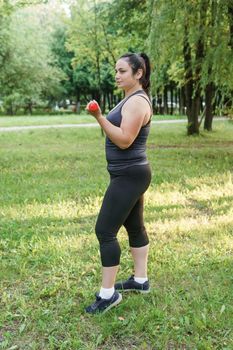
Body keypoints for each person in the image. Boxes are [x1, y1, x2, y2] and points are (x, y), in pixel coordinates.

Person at [85, 52, 152, 314]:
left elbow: (124, 139)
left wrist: (99, 117)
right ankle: (140, 280)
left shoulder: (137, 102)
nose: (117, 75)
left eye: (123, 71)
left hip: (129, 175)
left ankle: (108, 294)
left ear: (138, 74)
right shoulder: (130, 98)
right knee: (134, 226)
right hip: (129, 173)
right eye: (116, 70)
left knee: (104, 231)